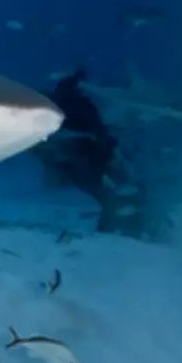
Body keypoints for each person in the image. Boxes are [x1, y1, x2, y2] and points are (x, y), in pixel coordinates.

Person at [34, 69, 145, 237]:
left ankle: (123, 223)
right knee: (112, 192)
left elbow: (98, 133)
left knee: (114, 192)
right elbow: (99, 132)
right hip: (84, 161)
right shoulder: (81, 107)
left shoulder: (70, 108)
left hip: (85, 160)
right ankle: (124, 224)